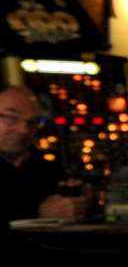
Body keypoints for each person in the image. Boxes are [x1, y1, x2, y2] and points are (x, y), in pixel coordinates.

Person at [0, 85, 84, 224]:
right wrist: (38, 214)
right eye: (11, 117)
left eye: (32, 122)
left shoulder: (48, 169)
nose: (24, 129)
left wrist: (79, 202)